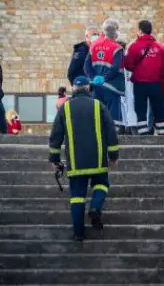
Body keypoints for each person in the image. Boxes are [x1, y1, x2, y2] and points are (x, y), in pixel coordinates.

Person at [48, 76, 120, 242]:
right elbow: (111, 132)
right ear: (89, 88)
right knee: (101, 184)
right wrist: (114, 156)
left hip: (75, 162)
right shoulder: (98, 106)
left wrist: (54, 159)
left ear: (73, 89)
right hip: (98, 160)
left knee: (77, 197)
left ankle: (78, 233)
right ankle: (95, 206)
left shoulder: (65, 108)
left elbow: (55, 136)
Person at [125, 20, 164, 136]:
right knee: (159, 111)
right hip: (156, 84)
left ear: (140, 31)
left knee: (140, 111)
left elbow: (129, 65)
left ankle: (143, 136)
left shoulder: (134, 46)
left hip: (140, 84)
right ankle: (163, 135)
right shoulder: (160, 47)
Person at [84, 19, 125, 132]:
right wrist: (105, 78)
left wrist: (93, 78)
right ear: (115, 32)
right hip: (112, 87)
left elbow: (86, 66)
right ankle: (113, 137)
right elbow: (115, 68)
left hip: (96, 87)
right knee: (113, 116)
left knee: (97, 113)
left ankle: (99, 135)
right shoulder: (117, 47)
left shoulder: (94, 45)